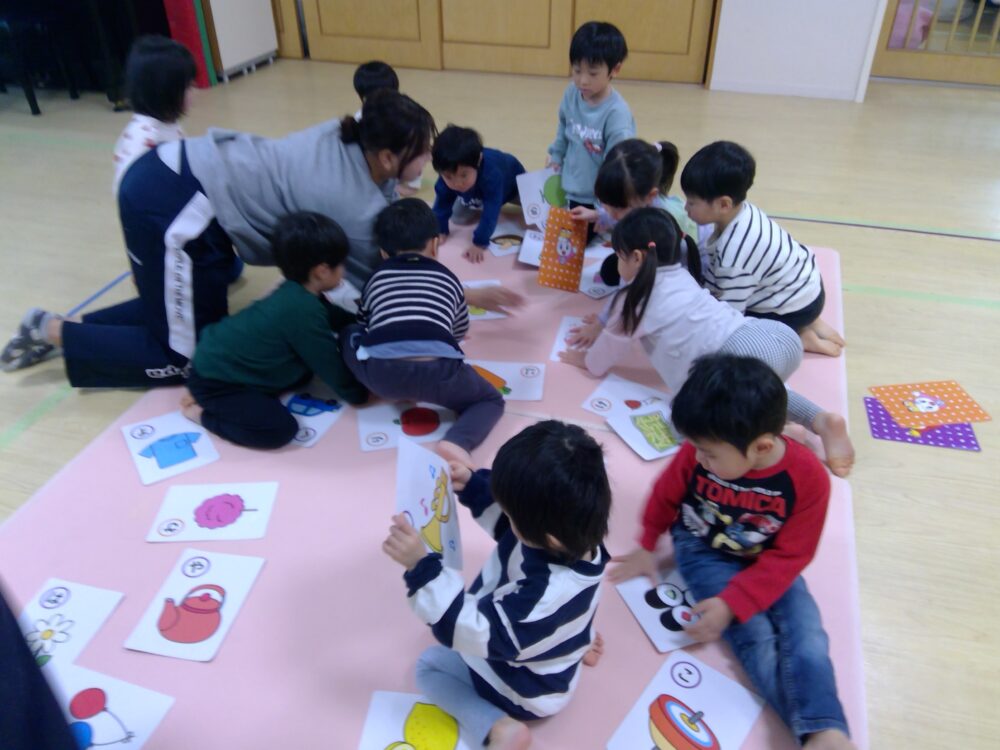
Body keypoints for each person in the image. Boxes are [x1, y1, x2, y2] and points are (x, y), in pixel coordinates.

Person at [1, 90, 519, 383]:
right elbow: (384, 289)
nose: (427, 161)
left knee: (187, 317)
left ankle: (69, 326)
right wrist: (465, 297)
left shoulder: (353, 133)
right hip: (174, 199)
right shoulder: (350, 206)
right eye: (421, 153)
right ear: (387, 156)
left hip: (189, 181)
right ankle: (54, 331)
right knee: (185, 357)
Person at [609, 355, 855, 750]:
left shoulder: (808, 477)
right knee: (754, 636)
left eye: (709, 453)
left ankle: (826, 731)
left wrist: (735, 599)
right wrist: (647, 545)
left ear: (761, 446)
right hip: (702, 548)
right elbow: (664, 494)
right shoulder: (699, 451)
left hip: (771, 559)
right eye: (696, 448)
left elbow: (792, 555)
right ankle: (817, 733)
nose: (697, 457)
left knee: (807, 632)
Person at [559, 208, 854, 477]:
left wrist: (586, 361)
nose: (618, 263)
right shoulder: (683, 274)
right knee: (760, 390)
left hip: (736, 353)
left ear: (636, 258)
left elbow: (609, 349)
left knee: (686, 424)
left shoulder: (633, 298)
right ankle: (821, 419)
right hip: (774, 336)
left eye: (619, 256)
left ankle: (779, 434)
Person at [382, 420, 611, 750]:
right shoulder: (577, 533)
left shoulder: (539, 600)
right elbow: (511, 529)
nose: (507, 516)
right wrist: (472, 486)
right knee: (551, 616)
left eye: (511, 512)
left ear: (546, 537)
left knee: (429, 666)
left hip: (527, 690)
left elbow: (468, 629)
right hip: (547, 653)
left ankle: (498, 727)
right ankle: (572, 642)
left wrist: (421, 567)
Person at [180, 212, 367, 449]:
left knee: (301, 373)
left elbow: (336, 317)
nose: (344, 270)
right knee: (279, 430)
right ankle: (202, 414)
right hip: (216, 381)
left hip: (225, 359)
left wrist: (367, 321)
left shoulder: (299, 293)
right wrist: (362, 394)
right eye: (340, 264)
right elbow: (329, 364)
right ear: (321, 271)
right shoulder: (301, 311)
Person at [342, 199, 503, 467]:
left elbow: (365, 324)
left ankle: (364, 389)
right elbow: (460, 329)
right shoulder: (449, 279)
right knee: (490, 400)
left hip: (382, 378)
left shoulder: (375, 278)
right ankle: (457, 442)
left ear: (383, 253)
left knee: (350, 332)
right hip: (439, 374)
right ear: (435, 245)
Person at [681, 141, 846, 357]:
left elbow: (730, 317)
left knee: (740, 331)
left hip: (794, 308)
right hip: (805, 287)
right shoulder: (743, 212)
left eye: (692, 203)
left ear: (723, 204)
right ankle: (809, 319)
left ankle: (799, 336)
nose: (686, 207)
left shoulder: (735, 256)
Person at [546, 21, 635, 242]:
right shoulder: (572, 93)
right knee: (543, 228)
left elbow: (617, 170)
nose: (582, 81)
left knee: (570, 244)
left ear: (615, 69)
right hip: (567, 184)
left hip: (595, 198)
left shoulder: (617, 114)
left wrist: (602, 211)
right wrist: (556, 155)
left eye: (593, 73)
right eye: (577, 70)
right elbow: (563, 127)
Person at [574, 138, 701, 286]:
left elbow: (672, 264)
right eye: (605, 203)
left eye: (618, 208)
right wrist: (597, 215)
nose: (611, 212)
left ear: (650, 196)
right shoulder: (632, 204)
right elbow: (619, 211)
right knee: (610, 271)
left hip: (674, 263)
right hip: (646, 249)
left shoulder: (664, 220)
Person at [112, 35, 196, 197]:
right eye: (188, 87)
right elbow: (129, 191)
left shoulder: (167, 121)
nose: (194, 92)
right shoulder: (146, 139)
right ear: (165, 91)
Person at [431, 125, 525, 264]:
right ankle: (474, 196)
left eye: (464, 175)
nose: (457, 183)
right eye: (449, 177)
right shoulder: (447, 175)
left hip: (514, 185)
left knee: (533, 207)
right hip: (478, 191)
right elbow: (441, 204)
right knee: (458, 218)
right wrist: (440, 230)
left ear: (479, 161)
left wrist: (479, 243)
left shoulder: (491, 175)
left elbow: (491, 212)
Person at [351, 60, 421, 197]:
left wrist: (413, 183)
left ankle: (410, 185)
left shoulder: (403, 116)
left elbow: (415, 149)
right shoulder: (360, 118)